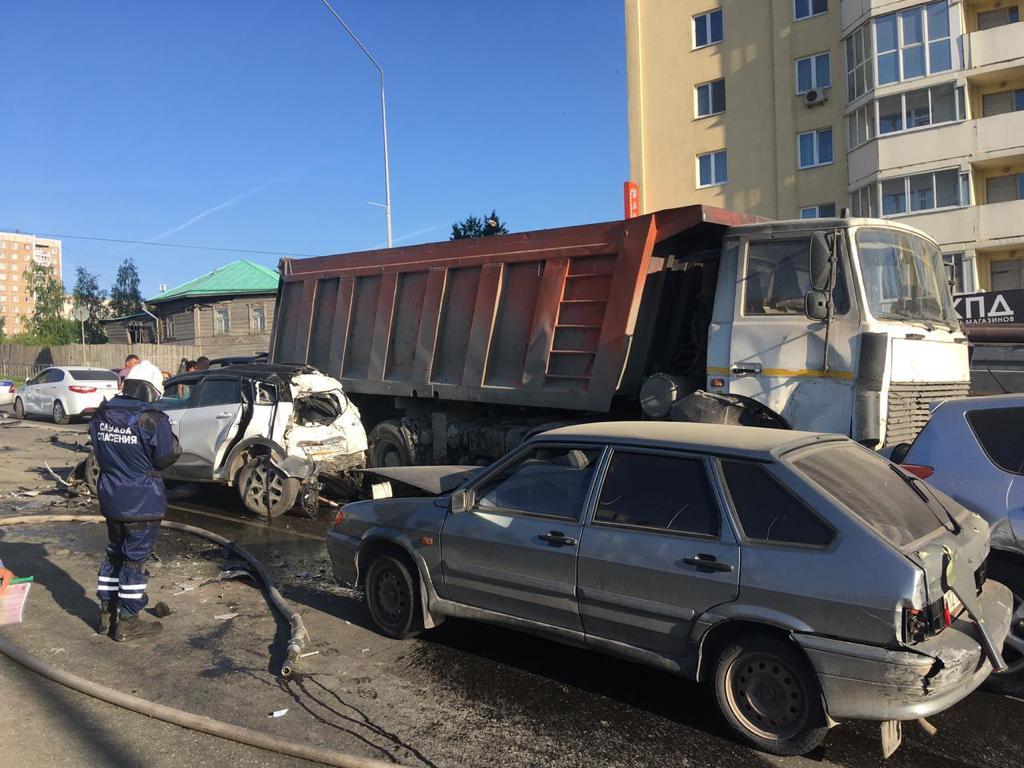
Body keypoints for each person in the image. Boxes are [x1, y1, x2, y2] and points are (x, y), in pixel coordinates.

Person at [90, 360, 181, 641]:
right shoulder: (151, 419)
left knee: (113, 553)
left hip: (111, 497)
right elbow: (168, 454)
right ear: (150, 390)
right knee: (134, 561)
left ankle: (106, 613)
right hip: (142, 502)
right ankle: (128, 621)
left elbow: (97, 446)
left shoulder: (102, 414)